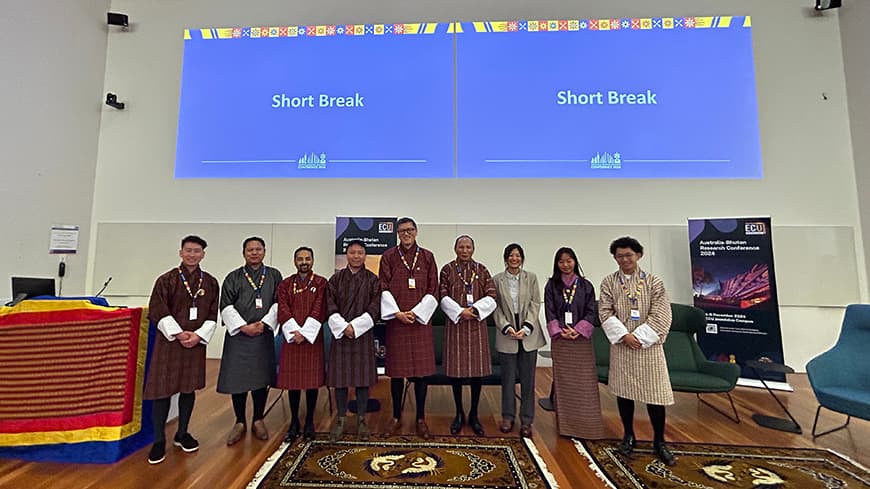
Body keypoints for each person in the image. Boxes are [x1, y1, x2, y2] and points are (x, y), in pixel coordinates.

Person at [599, 236, 675, 466]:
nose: (624, 259)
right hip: (623, 345)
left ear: (638, 255)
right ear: (615, 258)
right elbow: (604, 311)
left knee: (655, 396)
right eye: (620, 256)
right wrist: (625, 336)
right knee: (624, 393)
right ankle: (628, 435)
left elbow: (662, 314)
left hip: (649, 347)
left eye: (629, 255)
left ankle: (659, 440)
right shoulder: (609, 282)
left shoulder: (654, 283)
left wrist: (640, 337)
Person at [143, 235, 219, 465]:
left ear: (203, 255)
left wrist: (197, 336)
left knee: (188, 389)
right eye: (188, 250)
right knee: (162, 390)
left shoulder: (211, 282)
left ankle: (182, 433)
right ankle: (158, 440)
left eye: (197, 251)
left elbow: (212, 313)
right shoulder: (166, 280)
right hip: (170, 342)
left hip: (194, 343)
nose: (192, 255)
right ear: (181, 252)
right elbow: (157, 309)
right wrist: (178, 333)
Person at [217, 237, 283, 445]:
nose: (254, 253)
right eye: (250, 250)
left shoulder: (273, 275)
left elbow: (279, 303)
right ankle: (239, 421)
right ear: (243, 252)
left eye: (258, 249)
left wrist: (263, 324)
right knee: (238, 380)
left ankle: (258, 419)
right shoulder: (233, 277)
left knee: (260, 379)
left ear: (264, 251)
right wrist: (244, 327)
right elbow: (226, 306)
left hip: (262, 335)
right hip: (239, 336)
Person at [379, 217, 438, 439]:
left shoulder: (428, 257)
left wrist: (418, 312)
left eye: (410, 230)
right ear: (396, 233)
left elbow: (434, 289)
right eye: (402, 230)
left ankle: (420, 418)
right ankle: (396, 417)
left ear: (416, 231)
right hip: (398, 321)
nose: (406, 233)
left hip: (420, 321)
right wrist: (398, 313)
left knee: (421, 374)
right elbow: (383, 287)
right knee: (396, 373)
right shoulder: (389, 257)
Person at [543, 247, 605, 440]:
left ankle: (588, 425)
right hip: (561, 340)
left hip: (581, 341)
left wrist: (577, 330)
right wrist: (560, 330)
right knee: (565, 383)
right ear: (557, 264)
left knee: (584, 383)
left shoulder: (586, 285)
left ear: (575, 261)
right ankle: (568, 426)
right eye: (561, 261)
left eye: (569, 260)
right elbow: (550, 311)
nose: (565, 264)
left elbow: (590, 312)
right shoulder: (551, 286)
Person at [439, 235, 497, 436]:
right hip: (456, 325)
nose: (464, 250)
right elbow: (443, 295)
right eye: (461, 247)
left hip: (476, 326)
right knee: (456, 373)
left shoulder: (482, 269)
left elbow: (491, 295)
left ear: (473, 249)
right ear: (455, 249)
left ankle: (473, 414)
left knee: (476, 374)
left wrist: (473, 311)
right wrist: (459, 312)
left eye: (468, 247)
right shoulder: (447, 269)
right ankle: (459, 413)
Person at [325, 240, 380, 442]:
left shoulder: (373, 280)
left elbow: (375, 308)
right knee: (340, 381)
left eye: (360, 253)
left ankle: (362, 419)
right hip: (341, 334)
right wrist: (344, 327)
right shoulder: (335, 279)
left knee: (362, 381)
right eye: (352, 252)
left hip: (362, 335)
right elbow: (329, 305)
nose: (356, 256)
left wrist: (355, 327)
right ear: (346, 255)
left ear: (365, 256)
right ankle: (340, 419)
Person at [492, 243, 546, 438]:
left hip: (528, 333)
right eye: (511, 255)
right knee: (507, 379)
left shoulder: (530, 278)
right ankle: (507, 417)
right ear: (505, 258)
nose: (514, 259)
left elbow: (535, 303)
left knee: (528, 380)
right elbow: (495, 307)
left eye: (518, 255)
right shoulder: (496, 280)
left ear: (522, 258)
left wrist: (527, 327)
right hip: (507, 332)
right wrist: (506, 326)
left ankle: (526, 420)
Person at [275, 246, 327, 442]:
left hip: (312, 338)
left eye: (307, 258)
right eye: (300, 259)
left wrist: (305, 333)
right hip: (292, 338)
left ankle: (310, 421)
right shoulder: (285, 284)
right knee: (293, 384)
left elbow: (320, 308)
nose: (304, 262)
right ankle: (294, 421)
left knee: (311, 383)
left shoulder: (322, 283)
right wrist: (294, 331)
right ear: (294, 261)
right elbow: (283, 308)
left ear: (313, 260)